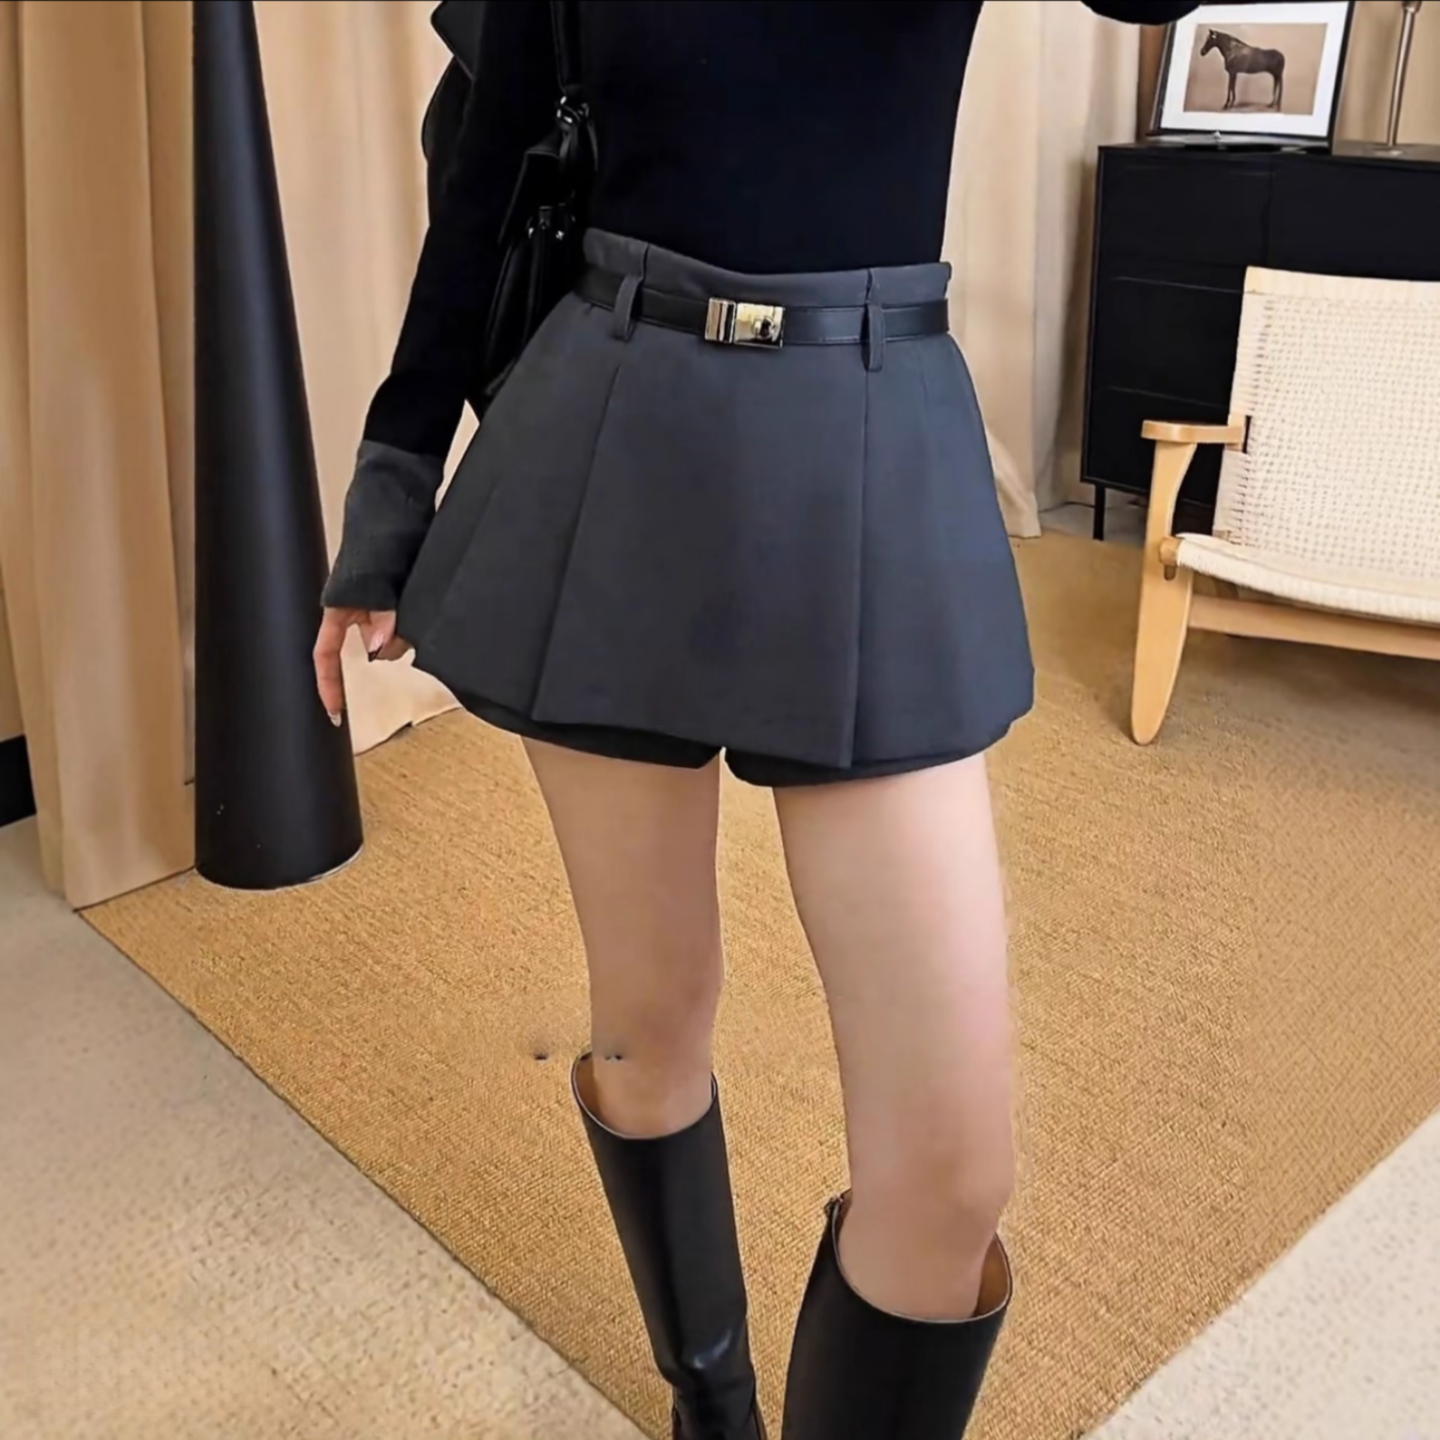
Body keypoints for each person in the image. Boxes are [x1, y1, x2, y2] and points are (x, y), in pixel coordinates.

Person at [315, 3, 1200, 1436]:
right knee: (652, 1020)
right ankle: (709, 1404)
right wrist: (390, 497)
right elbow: (487, 177)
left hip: (872, 434)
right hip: (616, 429)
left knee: (953, 1177)